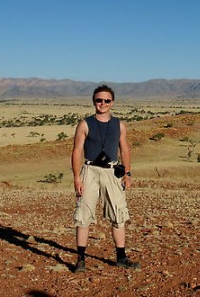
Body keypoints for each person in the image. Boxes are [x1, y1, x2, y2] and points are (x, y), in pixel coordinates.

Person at [71, 85, 139, 272]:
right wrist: (77, 178)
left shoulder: (119, 125)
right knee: (83, 215)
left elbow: (124, 150)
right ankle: (81, 260)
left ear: (112, 103)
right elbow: (77, 151)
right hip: (90, 170)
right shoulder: (85, 124)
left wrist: (127, 173)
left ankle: (121, 258)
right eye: (99, 100)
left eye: (106, 100)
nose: (103, 103)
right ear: (94, 101)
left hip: (112, 172)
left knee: (119, 214)